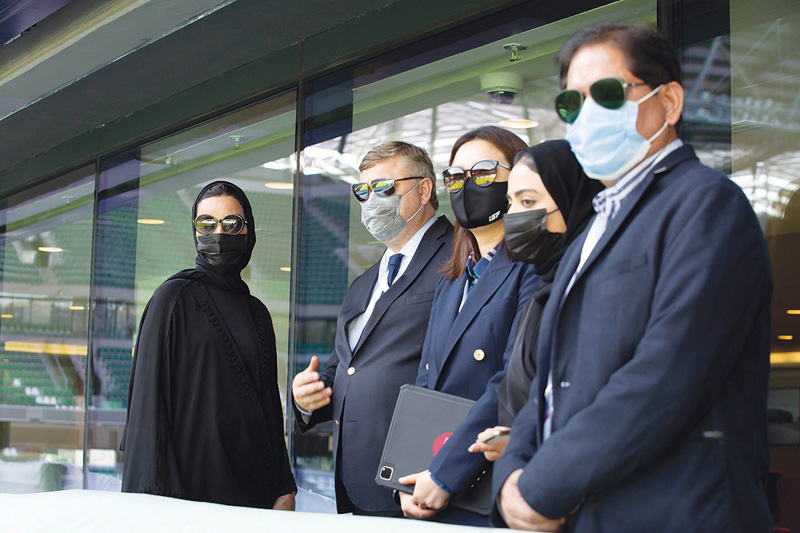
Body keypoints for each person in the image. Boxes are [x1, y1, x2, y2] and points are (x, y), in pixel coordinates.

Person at [492, 23, 773, 532]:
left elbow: (667, 375)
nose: (586, 114)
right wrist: (511, 476)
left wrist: (540, 488)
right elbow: (547, 385)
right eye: (571, 102)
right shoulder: (593, 229)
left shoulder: (707, 204)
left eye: (606, 93)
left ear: (669, 102)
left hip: (674, 513)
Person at [291, 141, 454, 515]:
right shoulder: (363, 283)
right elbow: (345, 369)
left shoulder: (459, 256)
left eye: (383, 187)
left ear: (424, 190)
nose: (371, 200)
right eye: (363, 191)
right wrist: (307, 397)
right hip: (356, 487)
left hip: (419, 484)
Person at [121, 181, 297, 510]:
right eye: (206, 224)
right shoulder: (172, 298)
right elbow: (148, 405)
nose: (218, 233)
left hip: (255, 495)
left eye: (231, 224)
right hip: (189, 496)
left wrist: (284, 486)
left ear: (248, 231)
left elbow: (270, 407)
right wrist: (151, 502)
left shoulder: (257, 313)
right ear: (195, 231)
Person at [398, 126, 537, 526]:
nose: (467, 184)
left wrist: (445, 473)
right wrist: (409, 475)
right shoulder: (452, 279)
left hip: (486, 483)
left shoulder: (532, 269)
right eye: (456, 176)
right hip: (430, 485)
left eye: (484, 172)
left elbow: (511, 382)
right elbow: (426, 384)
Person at [467, 140, 603, 462]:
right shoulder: (544, 288)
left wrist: (524, 443)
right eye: (511, 202)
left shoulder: (590, 292)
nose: (513, 214)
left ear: (571, 202)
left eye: (527, 201)